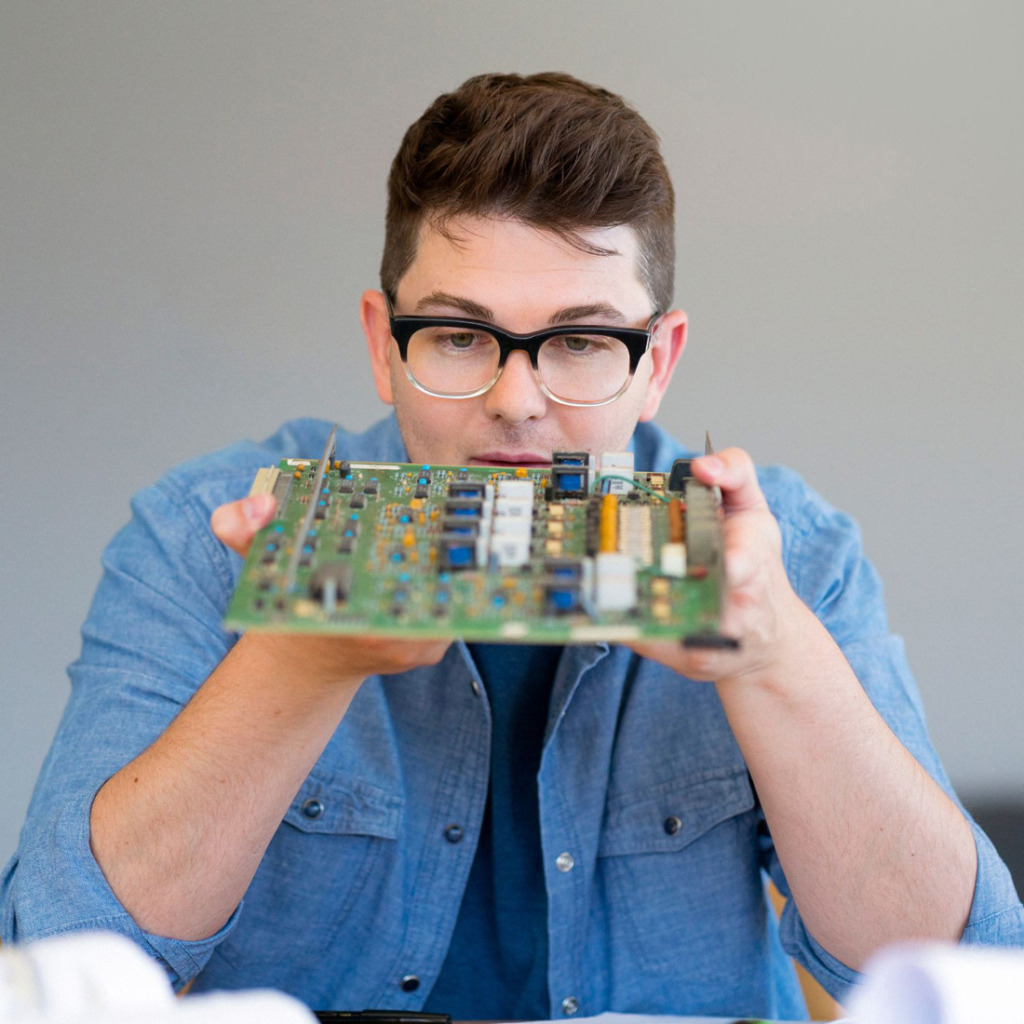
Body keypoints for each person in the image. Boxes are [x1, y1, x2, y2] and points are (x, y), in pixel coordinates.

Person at [2, 72, 1022, 1020]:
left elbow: (961, 974)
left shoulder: (783, 549)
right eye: (456, 335)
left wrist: (777, 659)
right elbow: (58, 960)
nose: (515, 402)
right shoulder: (205, 533)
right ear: (380, 343)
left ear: (657, 360)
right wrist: (296, 659)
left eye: (582, 340)